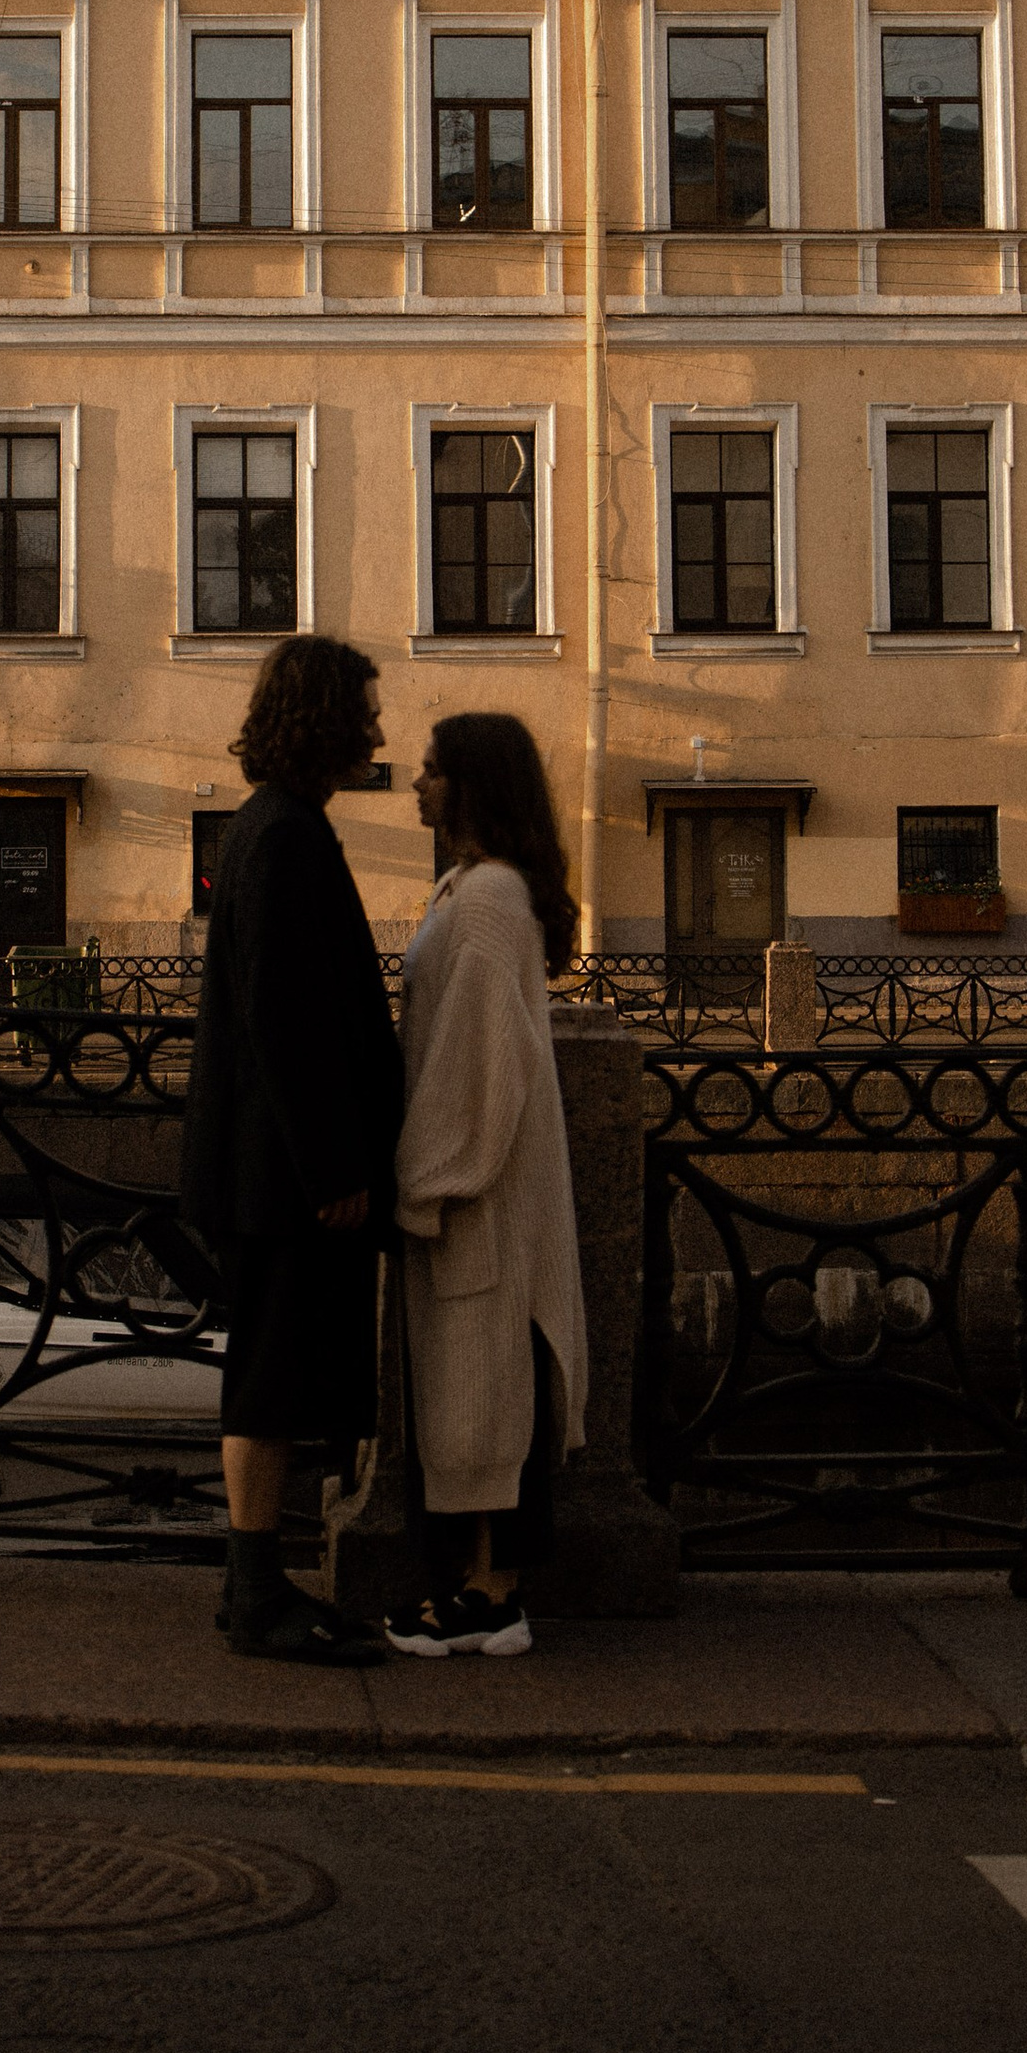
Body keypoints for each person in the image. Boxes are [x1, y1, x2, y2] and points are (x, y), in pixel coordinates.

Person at [180, 635, 403, 1662]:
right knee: (267, 1382)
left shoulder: (278, 829)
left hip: (274, 1170)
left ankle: (252, 1585)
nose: (375, 732)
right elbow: (287, 1020)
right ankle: (256, 1590)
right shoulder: (281, 839)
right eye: (361, 713)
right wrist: (335, 1169)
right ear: (320, 720)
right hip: (280, 1176)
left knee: (269, 1378)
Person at [384, 711, 588, 1659]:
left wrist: (421, 1178)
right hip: (485, 1190)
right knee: (478, 1382)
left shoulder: (485, 900)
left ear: (470, 788)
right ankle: (475, 1582)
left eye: (432, 772)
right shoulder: (470, 889)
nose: (416, 785)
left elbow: (480, 1063)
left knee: (490, 1383)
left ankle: (495, 1592)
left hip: (483, 1193)